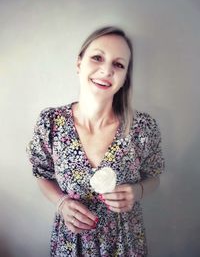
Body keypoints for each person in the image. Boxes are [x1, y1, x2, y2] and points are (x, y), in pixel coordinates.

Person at [27, 26, 165, 257]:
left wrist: (138, 191)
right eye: (97, 58)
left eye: (118, 64)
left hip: (125, 244)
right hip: (71, 245)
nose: (106, 70)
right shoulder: (50, 123)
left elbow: (154, 176)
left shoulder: (143, 127)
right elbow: (41, 174)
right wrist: (61, 203)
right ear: (79, 63)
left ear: (125, 77)